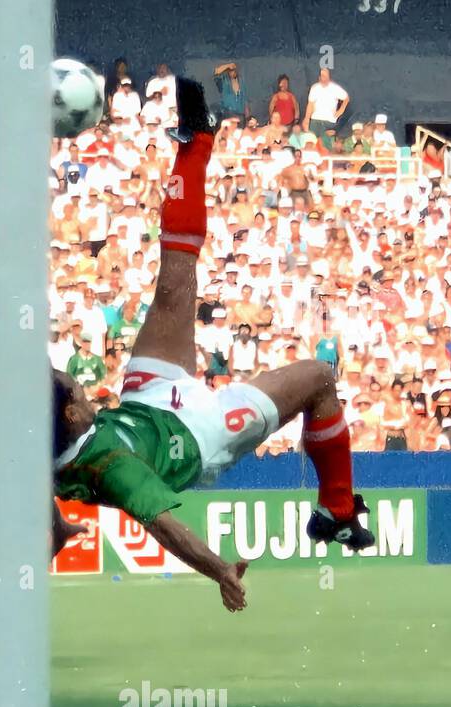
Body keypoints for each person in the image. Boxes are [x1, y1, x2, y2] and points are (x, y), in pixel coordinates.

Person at [50, 80, 375, 613]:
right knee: (321, 376)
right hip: (199, 436)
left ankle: (196, 142)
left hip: (147, 400)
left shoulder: (42, 443)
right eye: (77, 392)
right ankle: (337, 512)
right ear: (71, 412)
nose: (85, 389)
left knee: (174, 280)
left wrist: (57, 524)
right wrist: (220, 571)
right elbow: (166, 527)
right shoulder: (113, 469)